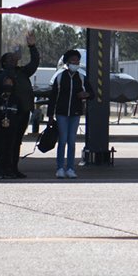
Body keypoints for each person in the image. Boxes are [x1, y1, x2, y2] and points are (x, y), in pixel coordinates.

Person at [0, 30, 40, 178]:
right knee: (6, 142)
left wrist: (32, 47)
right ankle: (2, 169)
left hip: (23, 111)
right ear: (5, 62)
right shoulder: (3, 74)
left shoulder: (22, 72)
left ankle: (13, 168)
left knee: (16, 142)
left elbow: (34, 63)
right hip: (9, 113)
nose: (14, 59)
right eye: (10, 58)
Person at [48, 49, 92, 179]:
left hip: (75, 113)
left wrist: (86, 94)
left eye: (77, 61)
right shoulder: (60, 77)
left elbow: (92, 93)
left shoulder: (82, 77)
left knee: (72, 141)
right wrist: (50, 115)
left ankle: (71, 168)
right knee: (63, 140)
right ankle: (60, 167)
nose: (76, 63)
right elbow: (53, 97)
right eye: (73, 61)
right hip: (61, 113)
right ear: (67, 63)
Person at [0, 73, 26, 180]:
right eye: (6, 83)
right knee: (0, 149)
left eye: (10, 83)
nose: (8, 85)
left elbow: (21, 113)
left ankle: (9, 170)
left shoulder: (16, 99)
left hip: (13, 128)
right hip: (0, 128)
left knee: (10, 149)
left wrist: (15, 122)